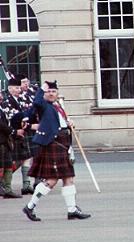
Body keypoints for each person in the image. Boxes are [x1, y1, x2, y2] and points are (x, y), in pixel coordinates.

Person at [22, 80, 91, 221]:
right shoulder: (43, 105)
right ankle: (30, 206)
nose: (51, 94)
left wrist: (69, 123)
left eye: (53, 91)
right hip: (53, 144)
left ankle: (72, 210)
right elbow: (36, 101)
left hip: (63, 143)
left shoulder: (58, 106)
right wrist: (42, 89)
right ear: (45, 94)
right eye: (49, 92)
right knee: (52, 180)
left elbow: (59, 122)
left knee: (68, 178)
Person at [2, 76, 34, 195]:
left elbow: (27, 112)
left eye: (18, 87)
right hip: (13, 133)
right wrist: (18, 128)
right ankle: (4, 184)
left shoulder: (21, 99)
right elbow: (11, 116)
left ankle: (26, 184)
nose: (18, 89)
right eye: (16, 88)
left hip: (22, 131)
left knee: (26, 157)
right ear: (10, 89)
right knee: (11, 161)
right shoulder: (7, 101)